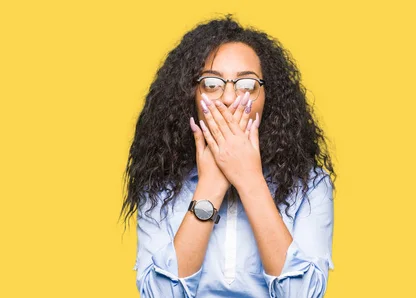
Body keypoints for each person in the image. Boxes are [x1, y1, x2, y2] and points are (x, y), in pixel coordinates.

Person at [120, 15, 335, 298]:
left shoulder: (310, 185)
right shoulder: (161, 183)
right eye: (212, 83)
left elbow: (302, 294)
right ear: (191, 94)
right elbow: (159, 294)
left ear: (268, 97)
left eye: (246, 85)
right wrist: (211, 185)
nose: (230, 98)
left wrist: (249, 180)